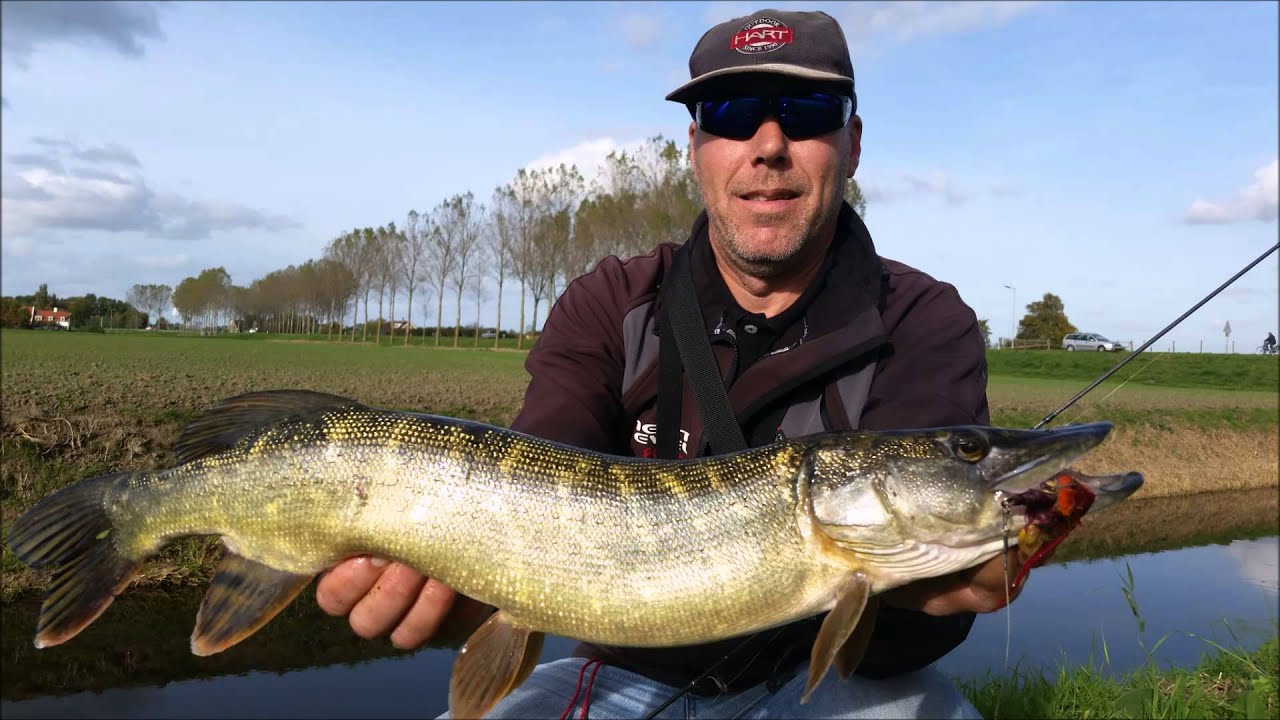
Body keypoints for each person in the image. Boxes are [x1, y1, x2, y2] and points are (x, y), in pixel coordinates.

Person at [317, 9, 1029, 718]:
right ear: (696, 146)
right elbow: (540, 482)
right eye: (731, 111)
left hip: (825, 680)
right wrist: (480, 583)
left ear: (853, 141)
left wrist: (923, 600)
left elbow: (887, 642)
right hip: (625, 674)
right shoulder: (612, 302)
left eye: (809, 111)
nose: (770, 144)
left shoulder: (924, 322)